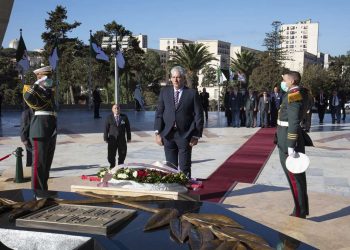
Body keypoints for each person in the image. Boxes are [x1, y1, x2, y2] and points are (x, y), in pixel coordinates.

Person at [154, 66, 203, 177]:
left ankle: (185, 192)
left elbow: (199, 115)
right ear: (170, 78)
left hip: (185, 135)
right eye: (173, 77)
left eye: (178, 77)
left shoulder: (192, 93)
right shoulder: (164, 92)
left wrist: (196, 135)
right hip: (168, 135)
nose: (175, 80)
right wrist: (157, 133)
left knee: (185, 167)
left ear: (183, 78)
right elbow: (159, 113)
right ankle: (173, 190)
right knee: (170, 168)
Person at [277, 71, 310, 218]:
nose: (282, 82)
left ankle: (300, 211)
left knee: (295, 178)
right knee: (296, 178)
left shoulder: (294, 94)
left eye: (284, 79)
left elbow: (294, 120)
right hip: (285, 135)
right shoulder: (299, 92)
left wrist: (290, 144)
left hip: (289, 139)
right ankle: (301, 208)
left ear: (291, 81)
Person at [23, 66, 57, 192]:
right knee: (39, 164)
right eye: (46, 77)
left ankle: (44, 190)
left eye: (50, 77)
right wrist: (37, 84)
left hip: (51, 129)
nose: (50, 79)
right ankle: (37, 192)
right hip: (40, 130)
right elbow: (27, 98)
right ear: (40, 77)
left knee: (47, 164)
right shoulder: (33, 90)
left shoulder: (48, 92)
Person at [20, 101, 33, 167]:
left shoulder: (32, 111)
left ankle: (31, 167)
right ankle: (30, 167)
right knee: (30, 154)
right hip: (28, 138)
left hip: (32, 137)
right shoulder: (26, 113)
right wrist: (24, 138)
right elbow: (23, 126)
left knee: (31, 154)